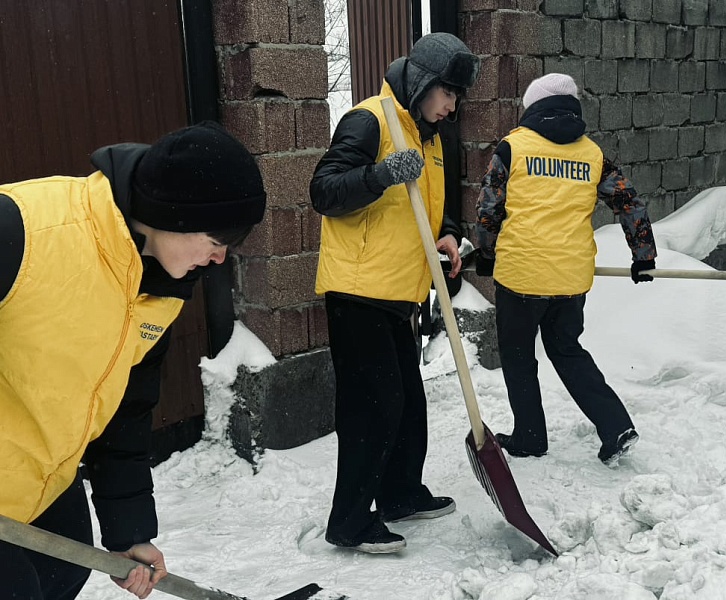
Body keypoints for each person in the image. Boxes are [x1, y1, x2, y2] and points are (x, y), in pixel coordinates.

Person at [0, 121, 266, 598]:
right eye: (216, 241)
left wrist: (128, 532)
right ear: (175, 217)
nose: (220, 258)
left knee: (62, 572)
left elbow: (126, 411)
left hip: (41, 485)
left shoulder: (158, 290)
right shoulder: (24, 231)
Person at [309, 32, 480, 554]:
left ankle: (400, 494)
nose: (452, 106)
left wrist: (448, 232)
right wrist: (379, 174)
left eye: (457, 96)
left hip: (400, 292)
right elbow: (324, 191)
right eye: (447, 93)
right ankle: (348, 522)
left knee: (407, 404)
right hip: (357, 291)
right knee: (373, 408)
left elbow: (430, 206)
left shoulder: (429, 136)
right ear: (424, 83)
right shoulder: (369, 120)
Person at [474, 73, 657, 467]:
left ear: (532, 107)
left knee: (518, 356)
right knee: (568, 350)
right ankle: (615, 426)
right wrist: (643, 256)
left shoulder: (512, 147)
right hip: (571, 279)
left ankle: (530, 436)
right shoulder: (592, 155)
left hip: (521, 276)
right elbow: (629, 202)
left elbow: (489, 206)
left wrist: (486, 253)